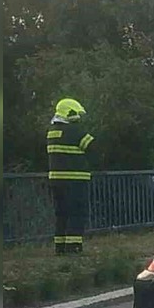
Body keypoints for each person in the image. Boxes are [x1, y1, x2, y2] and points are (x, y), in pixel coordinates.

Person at [46, 98, 95, 254]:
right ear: (69, 113)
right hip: (75, 179)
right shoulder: (75, 131)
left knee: (61, 214)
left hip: (56, 180)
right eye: (76, 114)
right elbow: (94, 148)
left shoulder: (52, 132)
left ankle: (60, 248)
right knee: (77, 213)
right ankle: (74, 247)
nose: (78, 118)